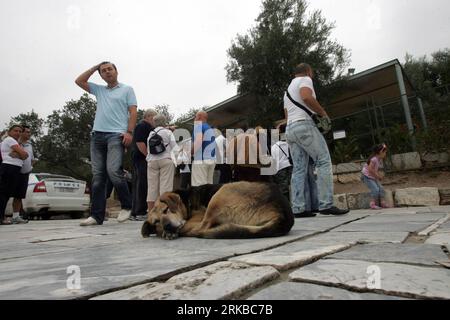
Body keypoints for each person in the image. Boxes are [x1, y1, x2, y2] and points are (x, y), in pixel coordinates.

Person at [75, 61, 138, 226]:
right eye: (103, 71)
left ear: (116, 71)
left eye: (110, 69)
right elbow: (79, 81)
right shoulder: (99, 90)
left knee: (113, 171)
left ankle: (126, 206)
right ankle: (96, 216)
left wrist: (129, 132)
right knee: (98, 176)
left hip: (116, 135)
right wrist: (94, 68)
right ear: (101, 75)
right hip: (97, 136)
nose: (107, 72)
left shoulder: (127, 89)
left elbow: (132, 112)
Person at [285, 63, 349, 218]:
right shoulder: (305, 80)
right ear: (308, 71)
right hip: (304, 126)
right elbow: (306, 96)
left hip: (290, 129)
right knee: (323, 160)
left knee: (299, 168)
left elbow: (287, 114)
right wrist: (323, 113)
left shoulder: (286, 91)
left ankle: (298, 208)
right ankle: (326, 204)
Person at [146, 114, 179, 212]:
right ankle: (163, 210)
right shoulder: (168, 132)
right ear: (164, 122)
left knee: (152, 187)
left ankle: (151, 211)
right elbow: (175, 148)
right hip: (165, 160)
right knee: (165, 186)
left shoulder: (151, 134)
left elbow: (149, 150)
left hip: (152, 161)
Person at [130, 108, 157, 220]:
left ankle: (135, 211)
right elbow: (140, 143)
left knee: (139, 183)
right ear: (149, 117)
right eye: (154, 118)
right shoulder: (142, 126)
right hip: (141, 158)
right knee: (142, 184)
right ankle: (140, 211)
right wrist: (148, 156)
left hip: (141, 158)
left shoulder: (148, 127)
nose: (155, 121)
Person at [0, 125, 29, 225]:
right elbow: (24, 154)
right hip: (9, 167)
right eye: (15, 130)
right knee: (4, 193)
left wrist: (18, 153)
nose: (18, 133)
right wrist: (20, 153)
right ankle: (1, 218)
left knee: (6, 194)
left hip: (14, 168)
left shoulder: (15, 142)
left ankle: (2, 217)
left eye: (20, 131)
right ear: (9, 132)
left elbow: (25, 155)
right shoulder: (10, 140)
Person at [13, 125, 36, 221]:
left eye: (29, 132)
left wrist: (31, 166)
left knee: (19, 195)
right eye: (26, 132)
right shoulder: (15, 143)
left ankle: (16, 216)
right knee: (6, 194)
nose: (28, 134)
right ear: (21, 133)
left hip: (25, 172)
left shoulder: (30, 144)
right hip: (15, 171)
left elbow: (31, 158)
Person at [361, 143, 390, 209]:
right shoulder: (374, 159)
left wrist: (377, 175)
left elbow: (374, 169)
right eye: (385, 152)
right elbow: (370, 169)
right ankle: (372, 204)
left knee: (381, 188)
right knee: (375, 189)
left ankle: (382, 202)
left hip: (372, 176)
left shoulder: (378, 159)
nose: (385, 154)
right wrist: (378, 176)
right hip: (366, 176)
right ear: (380, 152)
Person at [191, 111, 216, 187]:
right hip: (211, 159)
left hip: (201, 160)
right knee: (208, 187)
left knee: (199, 186)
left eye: (195, 117)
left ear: (198, 117)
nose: (194, 119)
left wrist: (190, 152)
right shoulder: (210, 128)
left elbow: (198, 141)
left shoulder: (198, 126)